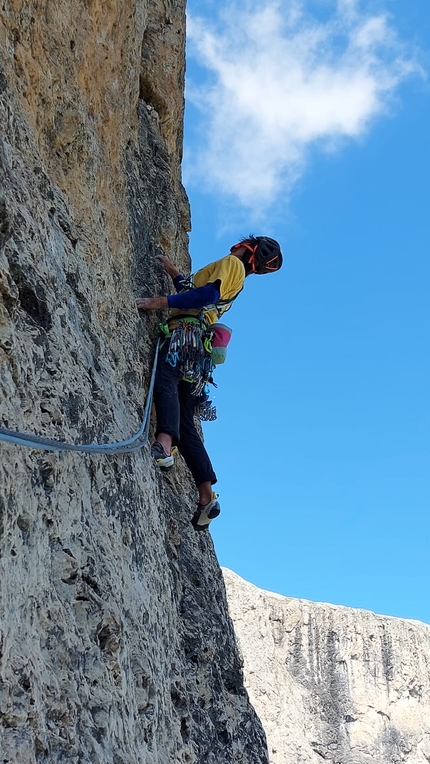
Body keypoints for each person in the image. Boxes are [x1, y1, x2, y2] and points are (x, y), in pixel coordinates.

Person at [136, 236, 283, 530]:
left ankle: (164, 446)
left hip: (185, 335)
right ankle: (206, 495)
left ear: (247, 247)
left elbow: (205, 297)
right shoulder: (237, 278)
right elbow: (197, 294)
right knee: (187, 423)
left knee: (166, 378)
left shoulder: (231, 264)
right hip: (199, 348)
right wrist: (174, 273)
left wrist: (160, 302)